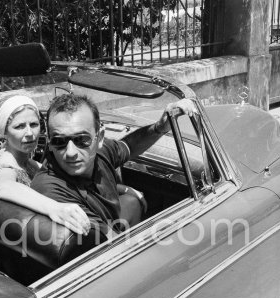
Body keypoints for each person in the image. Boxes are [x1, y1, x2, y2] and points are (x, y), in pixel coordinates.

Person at [31, 93, 197, 241]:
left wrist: (160, 127)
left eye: (81, 140)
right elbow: (109, 241)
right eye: (59, 141)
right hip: (98, 246)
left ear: (100, 137)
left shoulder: (102, 152)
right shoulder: (50, 188)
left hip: (108, 225)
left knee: (132, 202)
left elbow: (128, 147)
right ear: (50, 144)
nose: (71, 152)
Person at [0, 95, 90, 235]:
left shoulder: (29, 163)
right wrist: (56, 208)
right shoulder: (5, 166)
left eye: (34, 124)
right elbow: (3, 186)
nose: (29, 133)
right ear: (4, 132)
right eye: (19, 126)